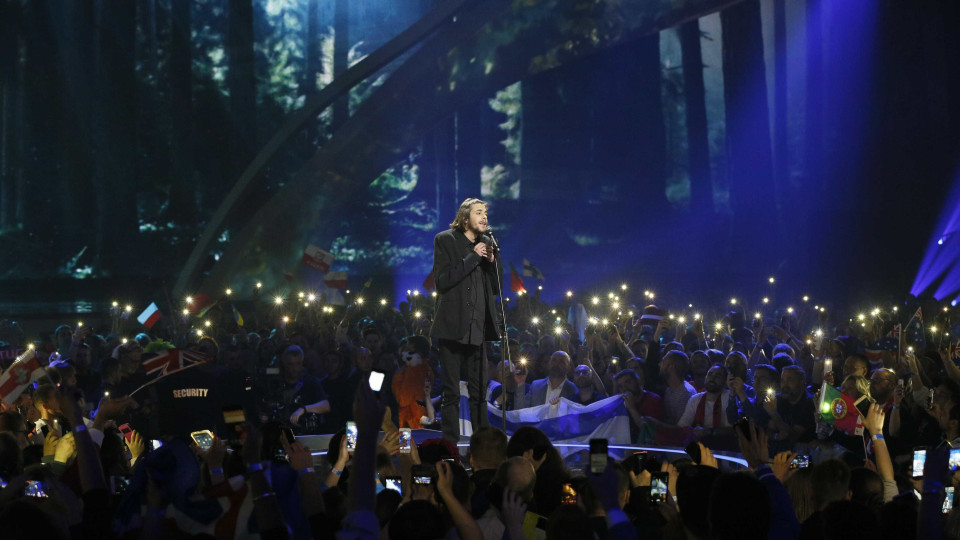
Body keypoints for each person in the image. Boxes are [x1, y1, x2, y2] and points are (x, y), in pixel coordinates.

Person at [430, 198, 504, 443]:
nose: (484, 217)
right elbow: (442, 281)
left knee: (479, 393)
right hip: (452, 327)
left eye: (486, 213)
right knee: (451, 392)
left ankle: (482, 447)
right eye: (478, 212)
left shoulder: (488, 243)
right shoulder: (446, 240)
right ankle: (449, 448)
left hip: (477, 329)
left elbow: (497, 288)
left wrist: (492, 262)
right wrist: (473, 257)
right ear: (464, 218)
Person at [513, 351, 579, 409]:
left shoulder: (574, 390)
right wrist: (520, 384)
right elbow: (520, 411)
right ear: (549, 363)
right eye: (554, 360)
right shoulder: (536, 385)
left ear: (569, 367)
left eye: (562, 361)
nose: (556, 364)